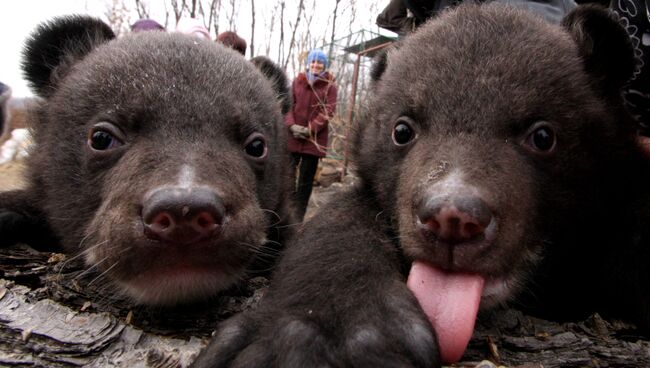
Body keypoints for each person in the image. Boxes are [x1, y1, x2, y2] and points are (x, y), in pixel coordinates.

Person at [285, 49, 337, 221]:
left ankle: (298, 218)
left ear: (324, 65)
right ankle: (286, 214)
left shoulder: (330, 85)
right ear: (308, 63)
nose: (316, 65)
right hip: (293, 137)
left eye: (320, 63)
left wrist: (310, 129)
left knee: (305, 183)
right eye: (313, 62)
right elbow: (288, 105)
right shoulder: (297, 82)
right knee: (288, 177)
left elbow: (328, 111)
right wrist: (292, 125)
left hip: (313, 140)